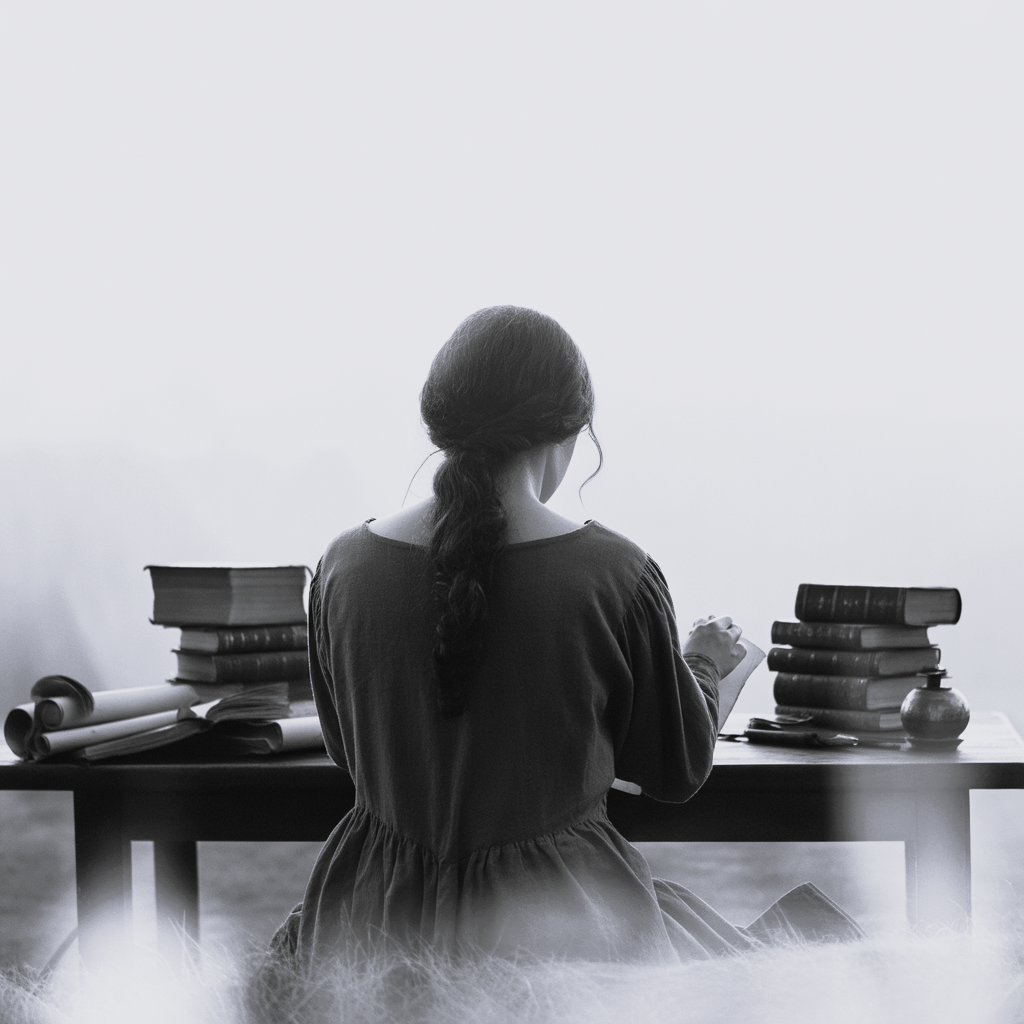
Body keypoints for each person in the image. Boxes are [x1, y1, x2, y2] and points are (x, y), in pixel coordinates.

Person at [276, 305, 862, 964]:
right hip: (563, 929)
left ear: (440, 425)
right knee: (807, 967)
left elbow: (348, 752)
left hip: (366, 923)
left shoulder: (341, 568)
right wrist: (701, 665)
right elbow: (674, 771)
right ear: (570, 433)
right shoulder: (615, 574)